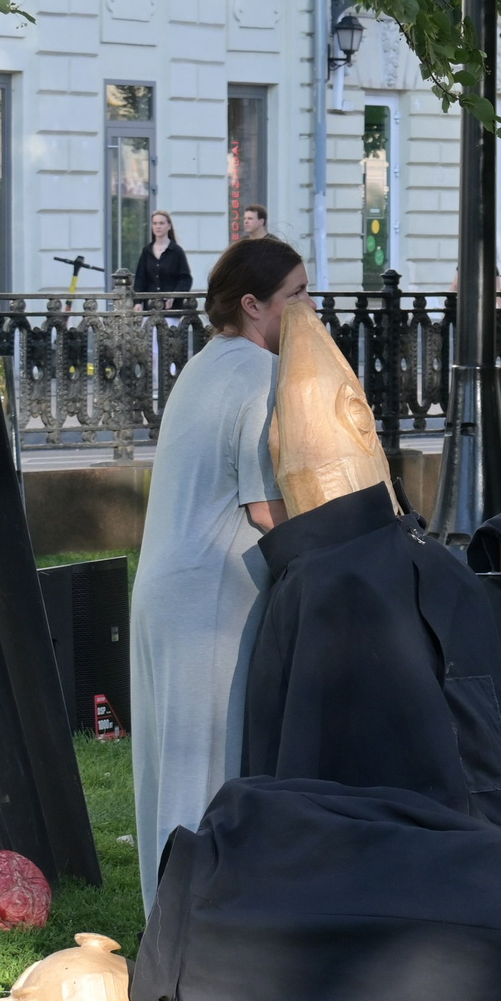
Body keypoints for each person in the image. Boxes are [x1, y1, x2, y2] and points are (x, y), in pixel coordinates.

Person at [129, 235, 305, 912]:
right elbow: (267, 509)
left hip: (166, 586)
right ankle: (189, 940)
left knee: (165, 769)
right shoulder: (260, 377)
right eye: (298, 295)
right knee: (202, 771)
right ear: (254, 305)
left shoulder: (204, 366)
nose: (309, 309)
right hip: (208, 600)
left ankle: (166, 925)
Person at [132, 210, 190, 292]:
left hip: (171, 303)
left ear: (169, 226)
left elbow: (185, 279)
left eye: (161, 223)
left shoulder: (177, 251)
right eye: (155, 223)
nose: (158, 226)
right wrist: (138, 302)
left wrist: (173, 296)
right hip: (150, 302)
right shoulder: (147, 251)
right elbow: (140, 278)